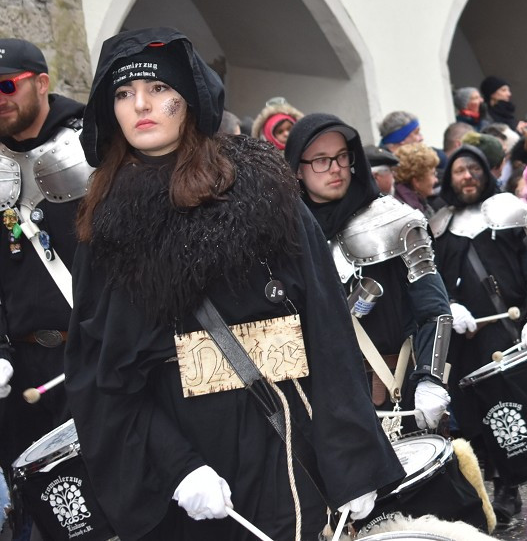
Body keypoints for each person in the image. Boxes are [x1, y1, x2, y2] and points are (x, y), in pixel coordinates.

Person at [66, 29, 404, 540]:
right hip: (187, 455)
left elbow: (326, 326)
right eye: (123, 93)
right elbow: (101, 374)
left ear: (190, 99)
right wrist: (178, 466)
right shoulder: (105, 224)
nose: (140, 105)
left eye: (158, 89)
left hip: (288, 430)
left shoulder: (263, 189)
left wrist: (352, 459)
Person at [285, 113, 452, 434]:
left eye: (341, 157)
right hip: (325, 400)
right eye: (320, 160)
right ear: (298, 168)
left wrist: (431, 379)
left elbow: (434, 310)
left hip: (394, 390)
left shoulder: (396, 221)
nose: (335, 168)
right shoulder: (284, 235)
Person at [0, 39, 91, 540]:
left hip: (105, 356)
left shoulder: (93, 149)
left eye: (7, 85)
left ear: (40, 83)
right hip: (31, 377)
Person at [429, 144, 527, 523]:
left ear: (485, 173)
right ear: (449, 177)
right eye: (459, 170)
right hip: (465, 340)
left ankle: (523, 483)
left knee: (515, 411)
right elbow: (431, 280)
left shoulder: (509, 212)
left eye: (473, 169)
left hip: (507, 333)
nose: (467, 176)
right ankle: (489, 493)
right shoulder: (439, 225)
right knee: (476, 415)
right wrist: (449, 306)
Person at [392, 142, 440, 217]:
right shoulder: (413, 213)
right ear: (417, 181)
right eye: (433, 174)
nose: (436, 180)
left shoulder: (400, 200)